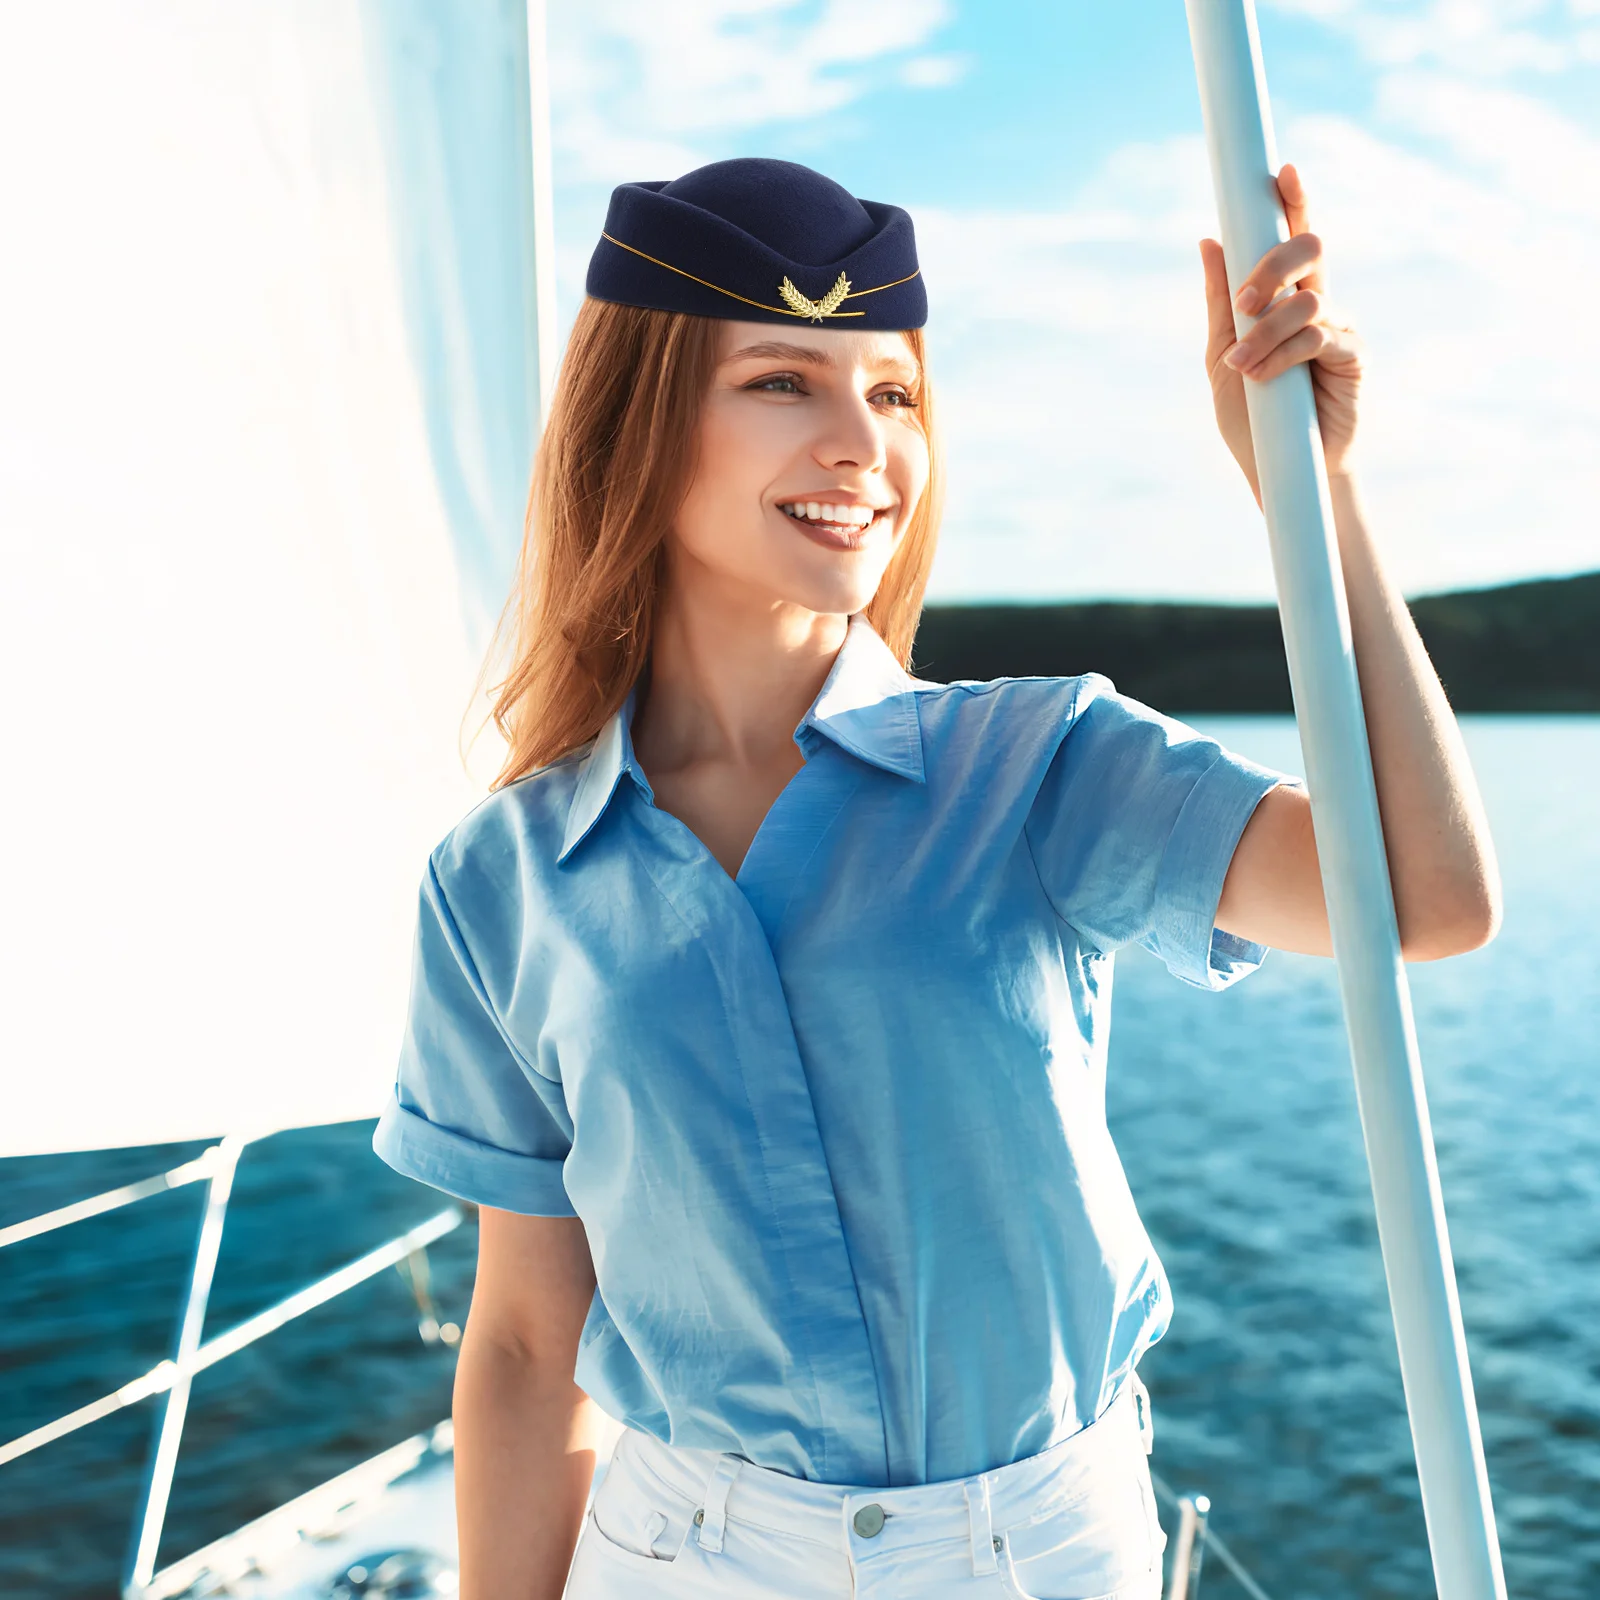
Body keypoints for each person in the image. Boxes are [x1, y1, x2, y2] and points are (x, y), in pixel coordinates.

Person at [372, 157, 1500, 1600]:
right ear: (640, 434)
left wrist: (1312, 493)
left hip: (1037, 1555)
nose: (863, 446)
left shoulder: (1042, 765)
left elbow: (1425, 900)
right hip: (678, 1556)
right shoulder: (502, 882)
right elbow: (531, 1344)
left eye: (893, 394)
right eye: (783, 382)